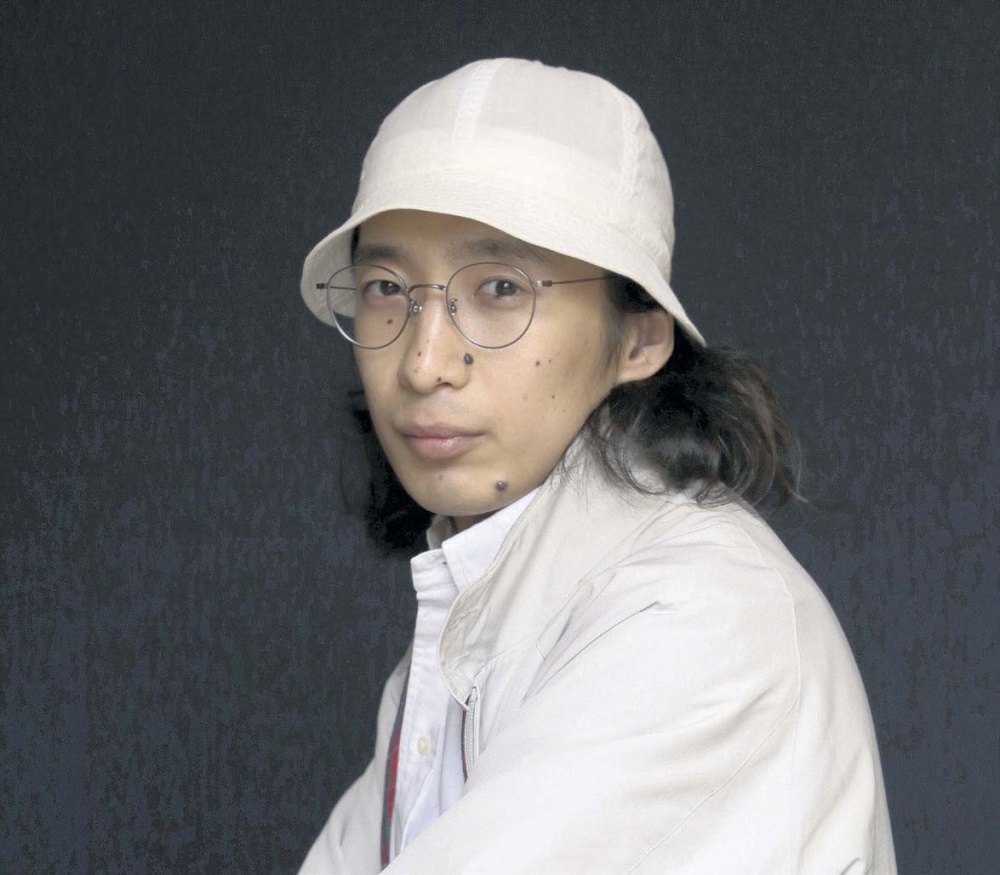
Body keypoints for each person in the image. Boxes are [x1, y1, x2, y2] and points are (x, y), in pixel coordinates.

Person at [296, 58, 896, 873]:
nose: (424, 361)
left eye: (500, 288)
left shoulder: (697, 616)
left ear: (638, 339)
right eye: (386, 288)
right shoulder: (472, 625)